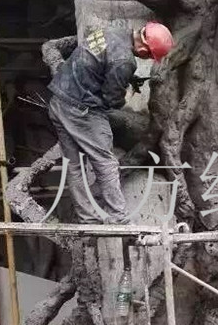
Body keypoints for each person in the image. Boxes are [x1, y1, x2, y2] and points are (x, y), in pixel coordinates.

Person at [42, 22, 174, 223]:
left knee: (74, 165)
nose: (146, 58)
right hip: (81, 110)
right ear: (144, 49)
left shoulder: (110, 31)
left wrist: (127, 77)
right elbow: (112, 100)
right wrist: (125, 91)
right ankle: (118, 217)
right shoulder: (125, 61)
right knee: (106, 162)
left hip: (59, 101)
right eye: (149, 56)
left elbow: (97, 62)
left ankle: (87, 217)